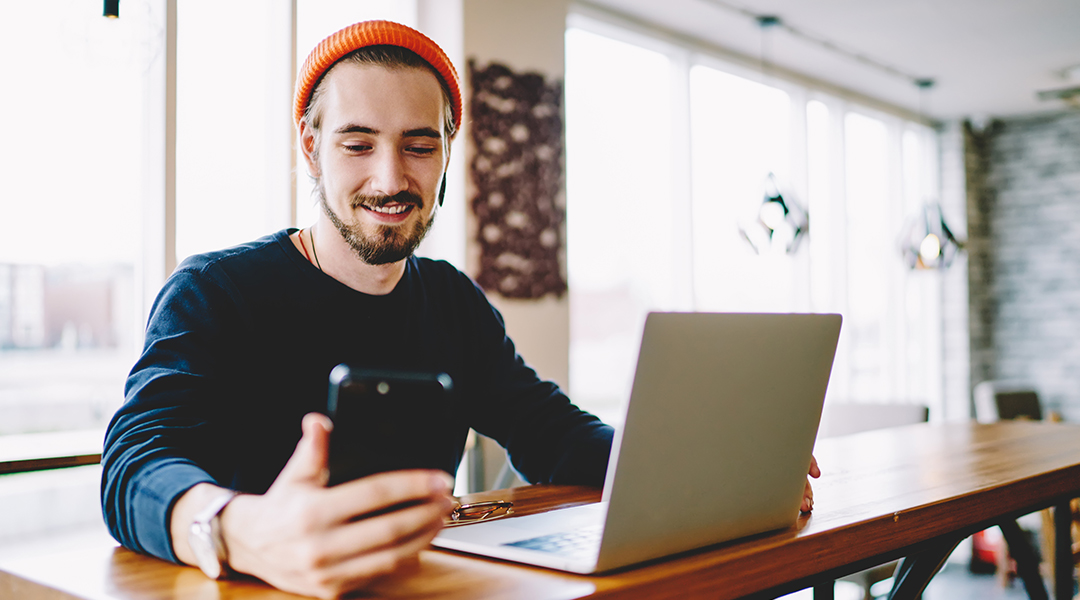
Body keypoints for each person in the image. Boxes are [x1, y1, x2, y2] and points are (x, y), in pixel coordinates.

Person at [101, 20, 818, 599]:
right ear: (312, 149)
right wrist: (238, 528)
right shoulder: (215, 292)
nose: (391, 177)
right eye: (358, 144)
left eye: (420, 145)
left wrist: (697, 465)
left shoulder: (450, 300)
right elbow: (133, 465)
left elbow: (549, 432)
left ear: (447, 154)